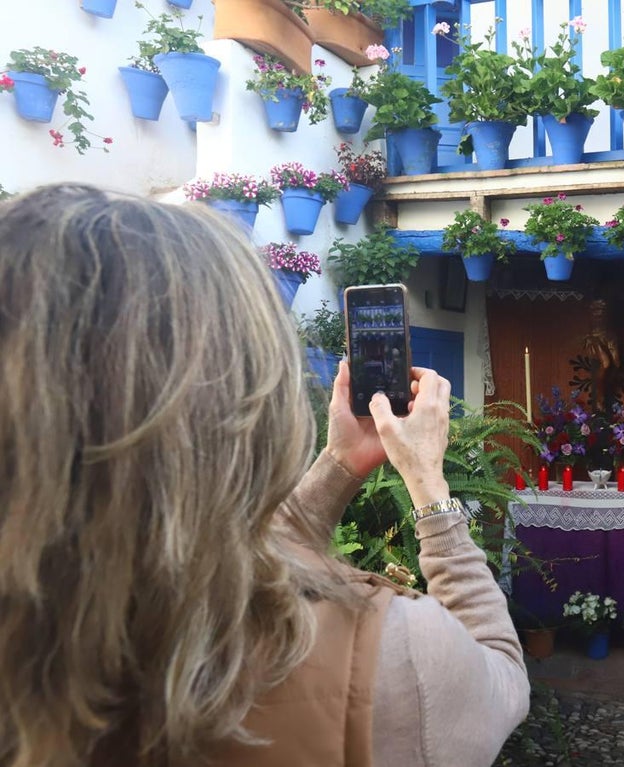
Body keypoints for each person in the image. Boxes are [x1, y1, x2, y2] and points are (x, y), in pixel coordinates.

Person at [0, 185, 530, 767]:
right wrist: (428, 484)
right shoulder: (386, 654)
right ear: (247, 409)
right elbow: (502, 676)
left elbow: (225, 553)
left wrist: (338, 465)